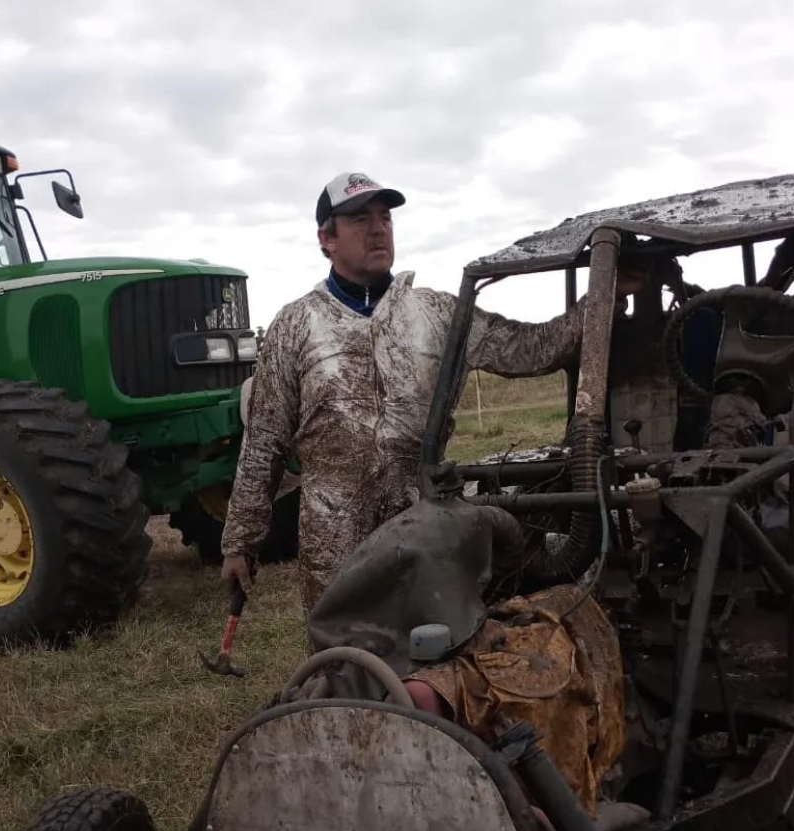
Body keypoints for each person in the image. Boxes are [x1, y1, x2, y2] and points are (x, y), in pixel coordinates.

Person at [221, 170, 640, 621]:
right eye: (360, 220)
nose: (379, 228)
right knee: (343, 649)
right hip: (333, 530)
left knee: (428, 644)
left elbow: (529, 348)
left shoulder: (435, 312)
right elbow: (263, 442)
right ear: (327, 238)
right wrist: (240, 541)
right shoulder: (295, 326)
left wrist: (601, 300)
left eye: (385, 217)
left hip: (422, 515)